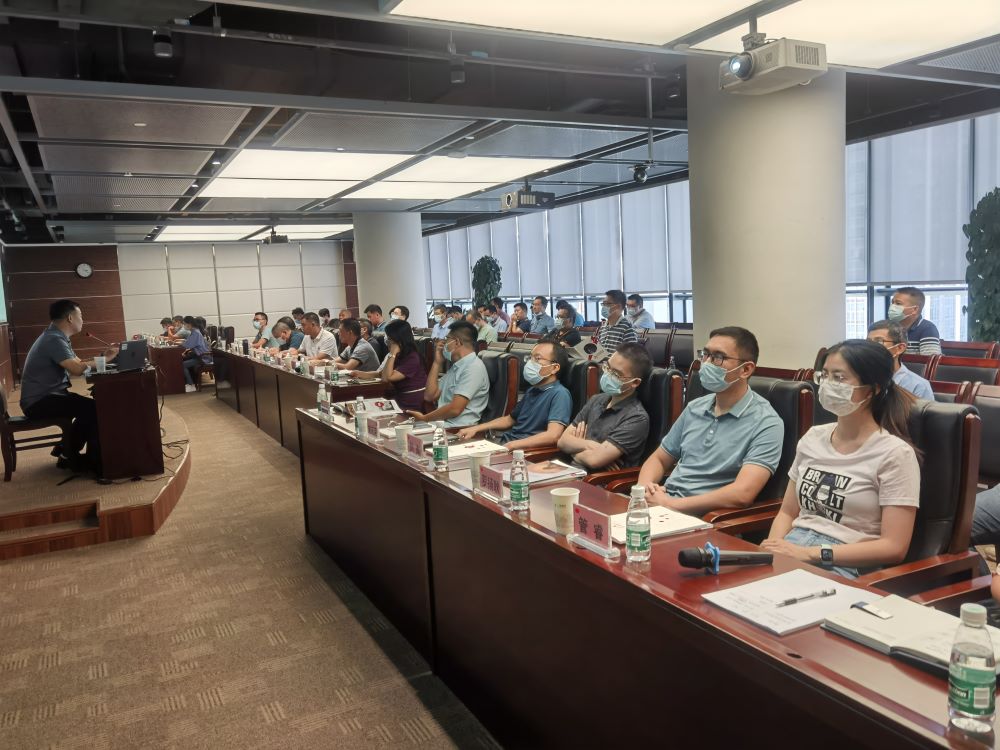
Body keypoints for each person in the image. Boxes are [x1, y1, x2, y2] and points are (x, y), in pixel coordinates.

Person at [761, 340, 920, 579]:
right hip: (793, 546)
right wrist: (773, 550)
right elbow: (787, 512)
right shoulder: (813, 437)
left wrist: (812, 554)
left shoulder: (895, 454)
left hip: (845, 563)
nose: (827, 384)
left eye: (839, 378)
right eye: (824, 375)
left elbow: (894, 547)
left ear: (873, 389)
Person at [638, 327, 783, 516]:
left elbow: (743, 493)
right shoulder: (695, 407)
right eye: (705, 354)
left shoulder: (766, 422)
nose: (706, 363)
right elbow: (659, 458)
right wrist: (644, 492)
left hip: (705, 519)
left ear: (746, 369)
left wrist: (671, 504)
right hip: (664, 506)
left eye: (718, 357)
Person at [19, 299, 117, 473]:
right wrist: (107, 359)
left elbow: (79, 362)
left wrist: (104, 357)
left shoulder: (56, 336)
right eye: (81, 316)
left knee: (89, 408)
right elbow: (77, 369)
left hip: (48, 397)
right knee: (93, 409)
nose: (83, 320)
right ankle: (92, 463)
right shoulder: (53, 339)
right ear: (70, 318)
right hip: (39, 402)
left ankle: (67, 452)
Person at [458, 340, 572, 451]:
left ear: (554, 368)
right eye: (530, 357)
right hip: (506, 445)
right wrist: (476, 428)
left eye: (537, 359)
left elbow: (553, 435)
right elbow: (509, 420)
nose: (530, 363)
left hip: (522, 451)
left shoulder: (560, 394)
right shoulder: (532, 390)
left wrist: (512, 445)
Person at [557, 343, 651, 471]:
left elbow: (594, 460)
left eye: (616, 374)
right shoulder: (596, 399)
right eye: (608, 367)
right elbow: (562, 441)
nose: (608, 374)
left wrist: (574, 450)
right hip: (571, 471)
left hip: (599, 480)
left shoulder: (637, 417)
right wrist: (591, 445)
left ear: (635, 382)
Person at [407, 320, 489, 427]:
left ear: (457, 342)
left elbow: (455, 409)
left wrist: (424, 419)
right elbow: (429, 396)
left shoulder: (473, 368)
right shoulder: (456, 367)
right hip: (442, 425)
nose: (444, 344)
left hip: (458, 429)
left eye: (447, 339)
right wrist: (437, 363)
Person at [351, 320, 428, 412]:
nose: (387, 341)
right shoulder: (399, 354)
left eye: (389, 338)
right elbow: (382, 373)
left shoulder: (412, 357)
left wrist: (392, 353)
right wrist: (361, 374)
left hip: (410, 402)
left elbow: (386, 378)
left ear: (398, 339)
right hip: (398, 398)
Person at [867, 320, 934, 400]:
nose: (870, 346)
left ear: (899, 348)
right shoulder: (860, 378)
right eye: (868, 341)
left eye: (879, 341)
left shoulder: (918, 386)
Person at [889, 286, 941, 355]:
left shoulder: (928, 328)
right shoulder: (887, 327)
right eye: (892, 302)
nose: (892, 306)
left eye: (898, 303)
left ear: (915, 309)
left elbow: (929, 360)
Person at [596, 289, 638, 355]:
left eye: (607, 304)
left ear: (618, 306)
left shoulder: (627, 328)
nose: (604, 307)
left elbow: (632, 356)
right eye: (603, 304)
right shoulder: (603, 327)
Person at [181, 316, 213, 393]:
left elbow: (187, 345)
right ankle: (190, 383)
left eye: (184, 324)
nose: (184, 326)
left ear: (189, 324)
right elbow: (189, 344)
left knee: (182, 365)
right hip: (199, 356)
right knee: (184, 362)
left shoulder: (195, 333)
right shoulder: (194, 331)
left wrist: (177, 344)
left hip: (202, 357)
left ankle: (191, 385)